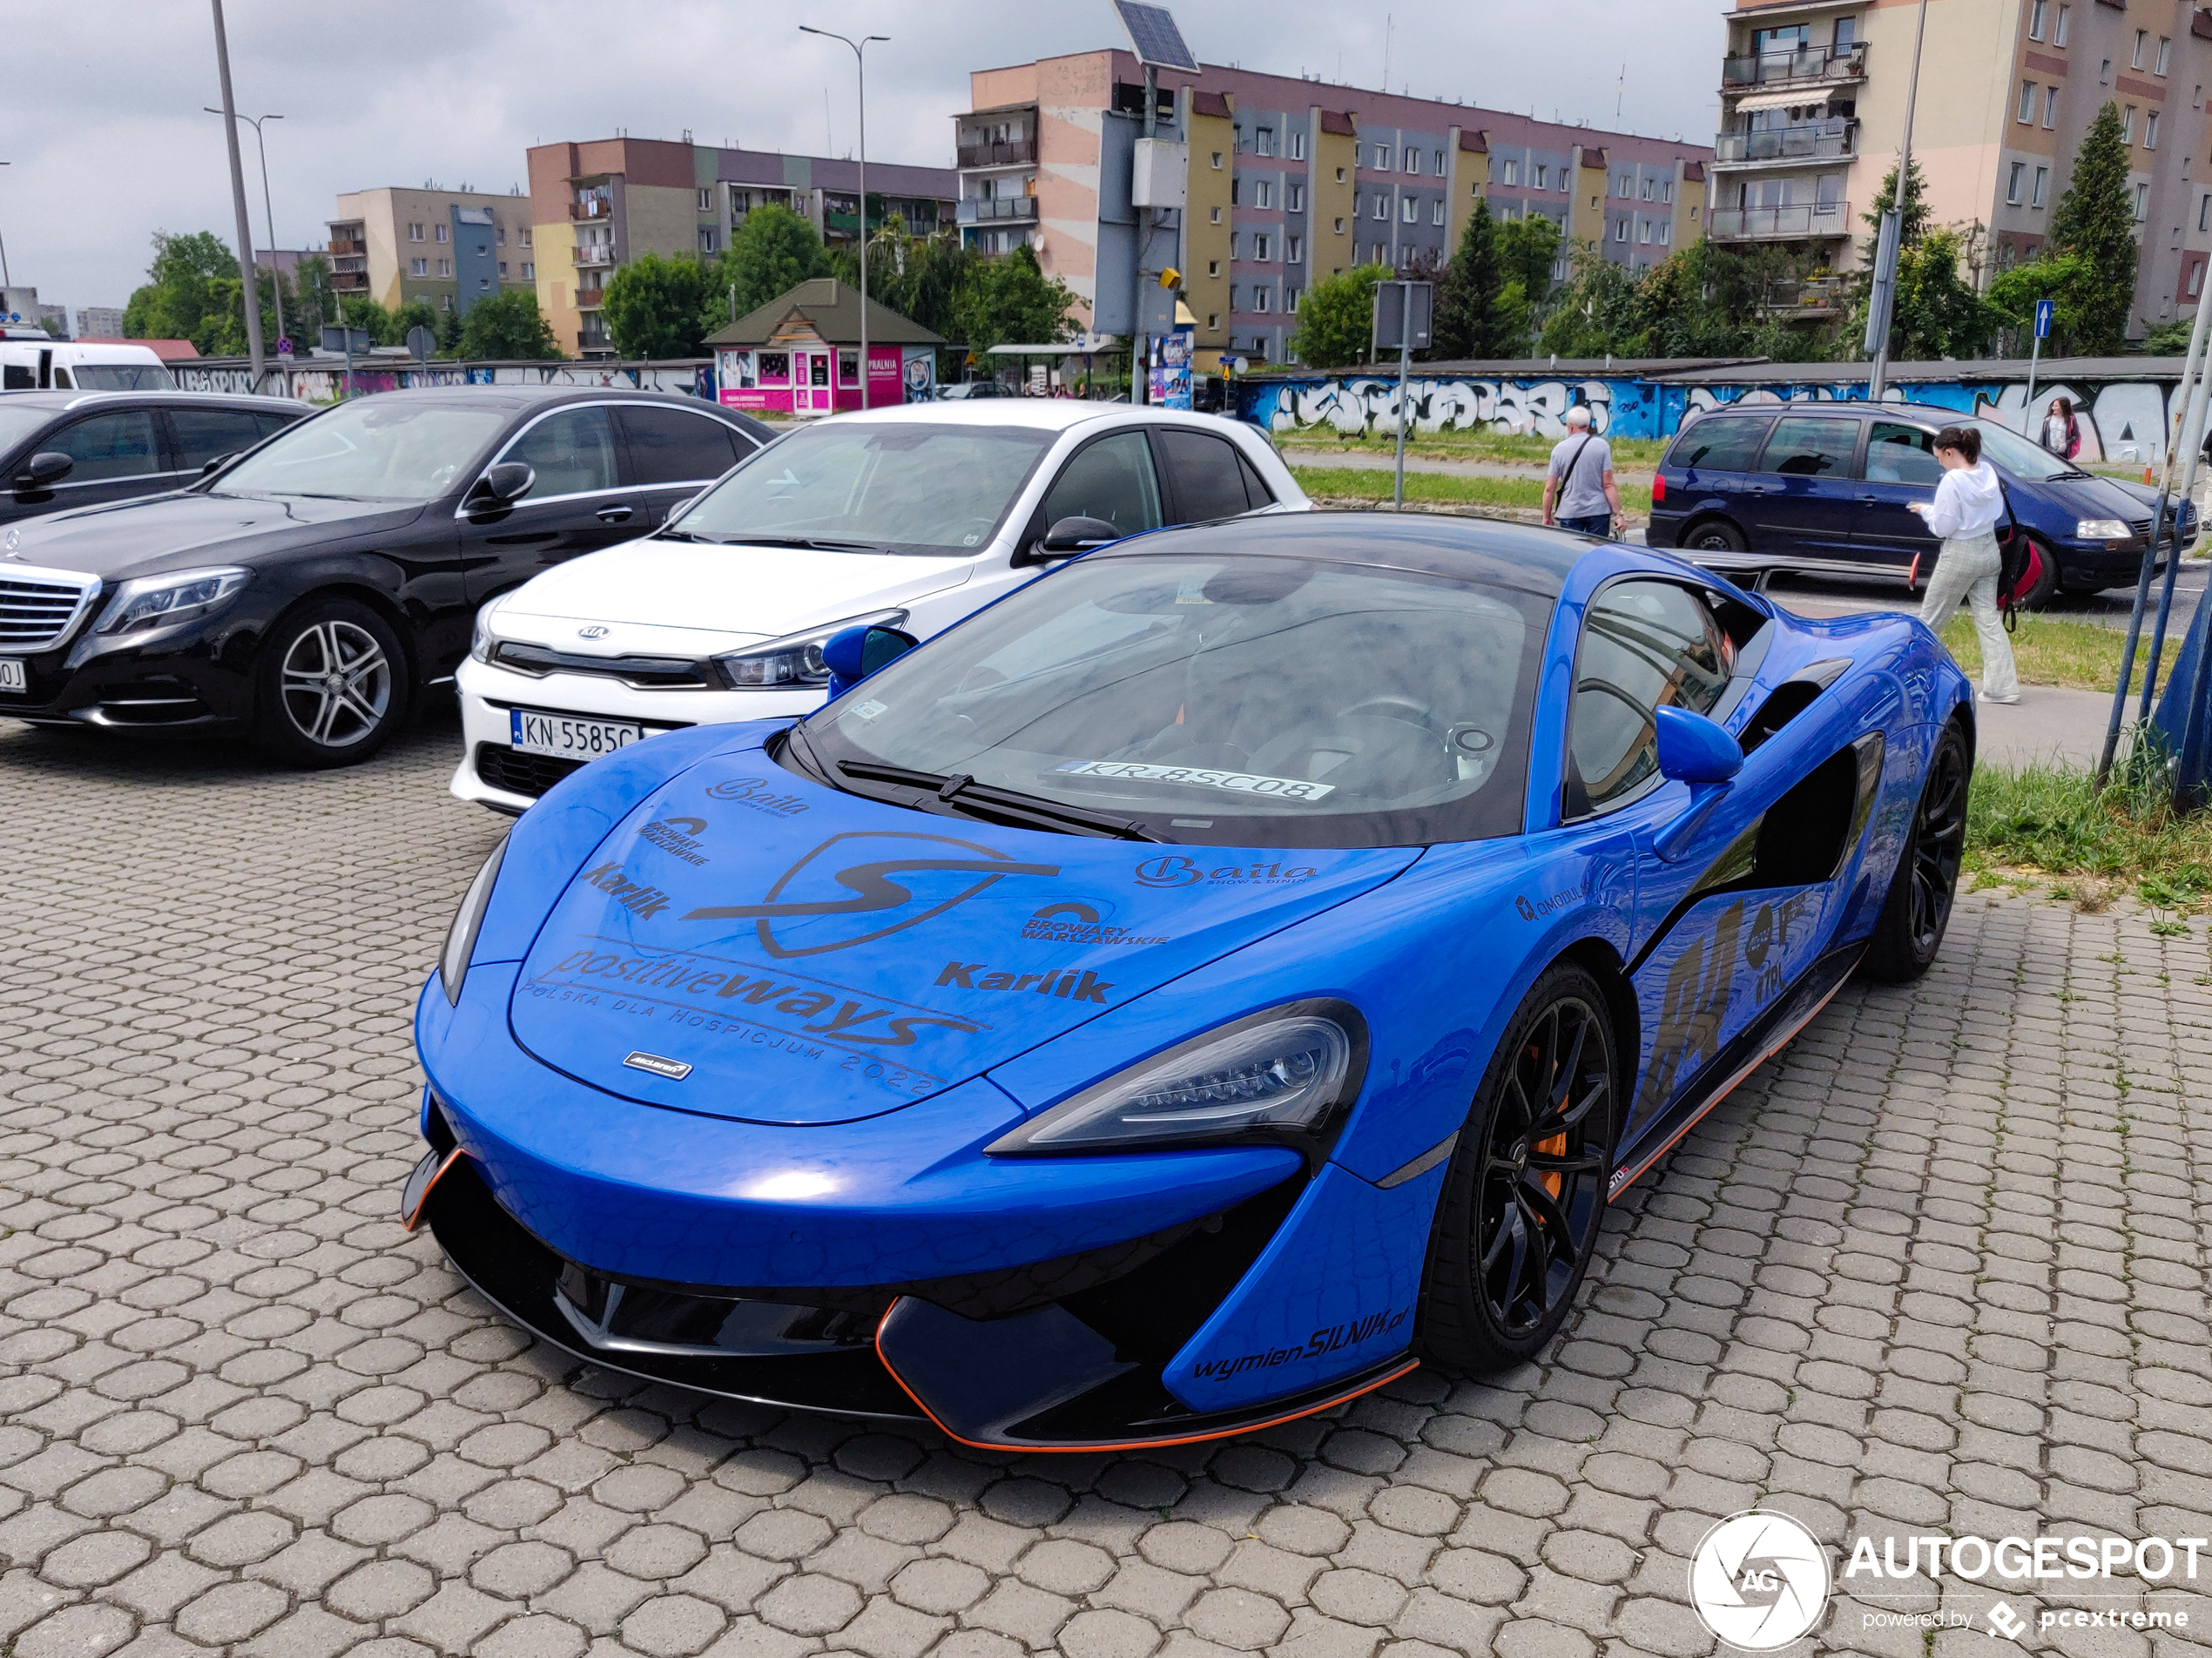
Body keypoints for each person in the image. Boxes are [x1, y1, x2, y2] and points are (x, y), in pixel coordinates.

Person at [1908, 425, 2020, 704]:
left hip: (1960, 553)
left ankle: (1907, 679)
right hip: (1988, 549)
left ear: (1949, 452)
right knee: (1989, 621)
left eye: (1940, 458)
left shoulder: (1952, 481)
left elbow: (1945, 526)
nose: (1941, 464)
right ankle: (2002, 688)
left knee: (1930, 620)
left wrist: (1925, 511)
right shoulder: (1987, 472)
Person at [1543, 407, 1622, 539]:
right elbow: (1608, 484)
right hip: (1598, 510)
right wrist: (1619, 515)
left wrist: (1546, 516)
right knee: (1596, 553)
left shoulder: (1559, 450)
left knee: (1572, 553)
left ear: (1570, 426)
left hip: (1570, 511)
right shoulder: (1602, 446)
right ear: (1588, 424)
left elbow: (1550, 488)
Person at [2040, 396, 2080, 460]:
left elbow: (2076, 435)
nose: (2053, 408)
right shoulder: (2047, 421)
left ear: (2062, 408)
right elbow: (2042, 439)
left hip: (2064, 454)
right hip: (2050, 453)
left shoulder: (2071, 420)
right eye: (2053, 406)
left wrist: (2066, 444)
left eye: (2056, 406)